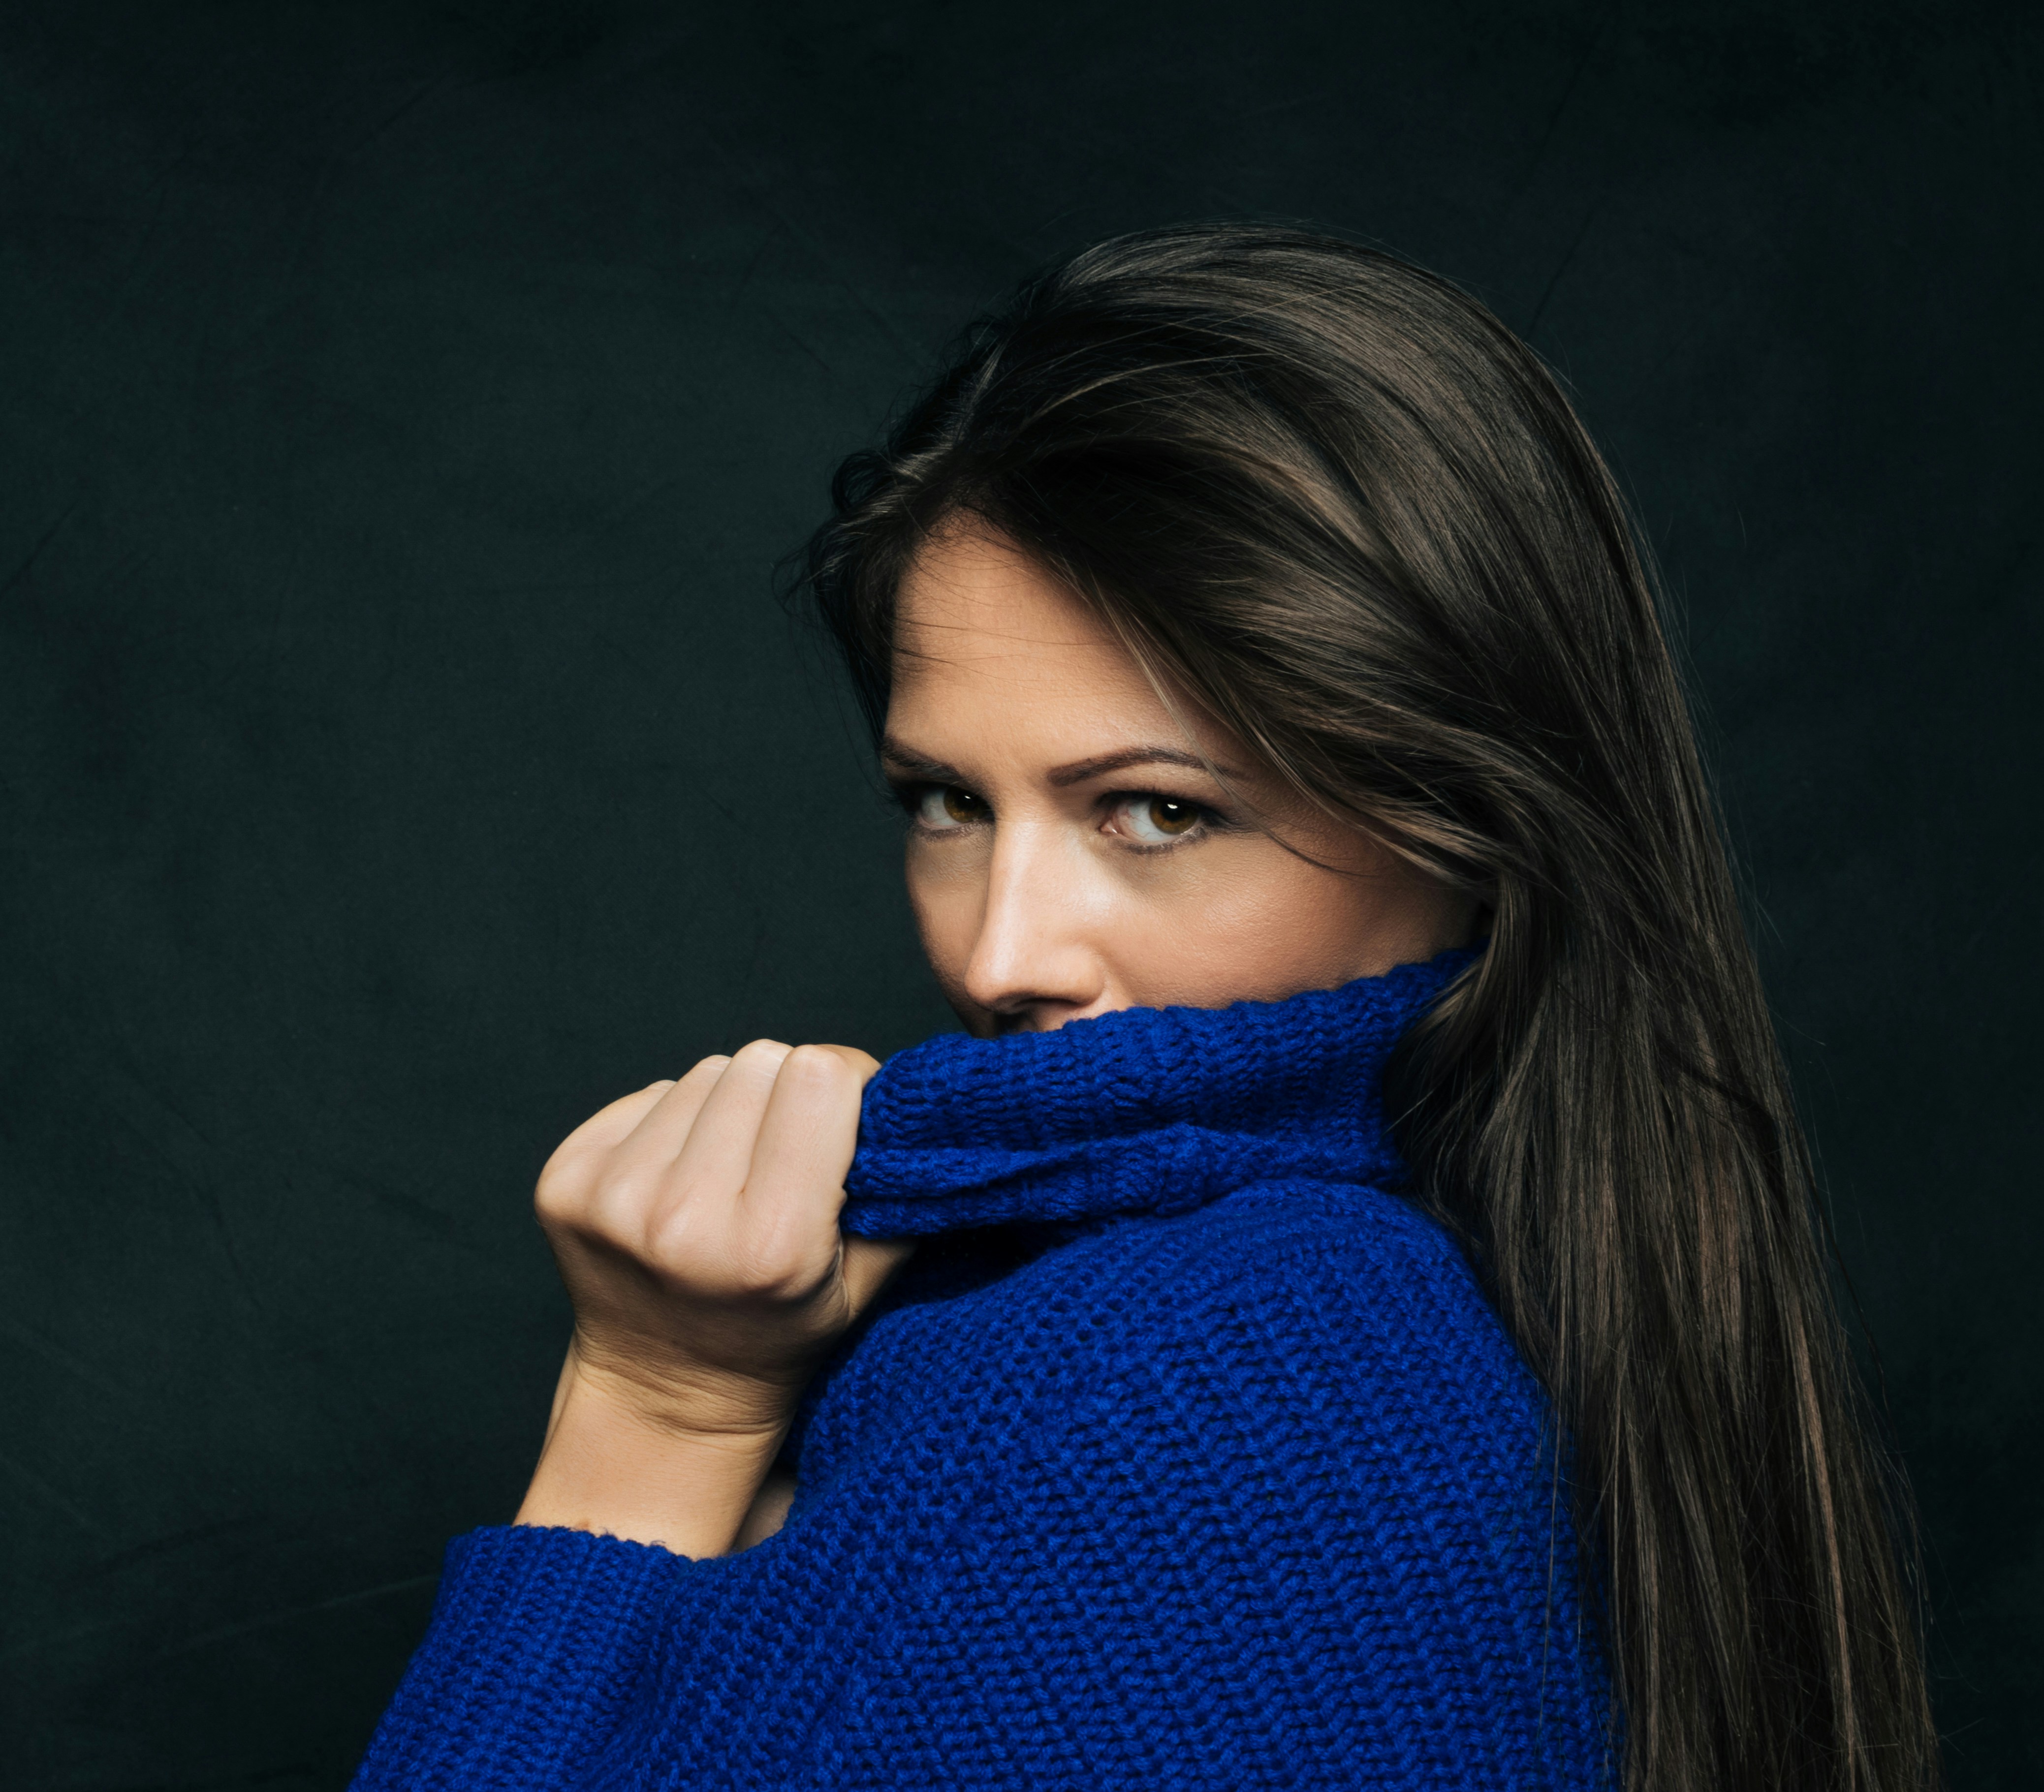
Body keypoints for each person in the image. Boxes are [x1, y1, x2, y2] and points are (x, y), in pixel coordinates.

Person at [351, 226, 1938, 1791]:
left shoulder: (1152, 1367)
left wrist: (656, 1415)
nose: (1000, 955)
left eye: (1158, 811)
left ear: (1472, 826)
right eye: (945, 802)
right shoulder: (1550, 1315)